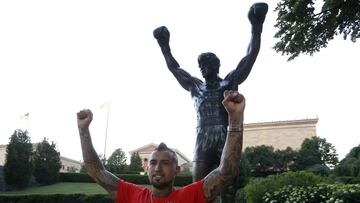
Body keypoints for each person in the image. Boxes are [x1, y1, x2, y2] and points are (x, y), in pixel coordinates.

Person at [153, 3, 268, 201]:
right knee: (198, 186)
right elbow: (175, 68)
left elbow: (250, 56)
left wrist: (256, 26)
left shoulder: (229, 82)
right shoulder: (195, 86)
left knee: (228, 187)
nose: (203, 68)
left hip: (225, 134)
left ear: (216, 66)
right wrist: (164, 46)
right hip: (203, 136)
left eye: (207, 64)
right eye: (201, 65)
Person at [77, 90, 245, 203]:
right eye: (153, 162)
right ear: (147, 167)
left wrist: (235, 120)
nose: (157, 167)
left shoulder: (189, 196)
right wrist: (83, 130)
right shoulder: (134, 196)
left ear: (177, 170)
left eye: (165, 163)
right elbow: (96, 171)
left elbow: (226, 172)